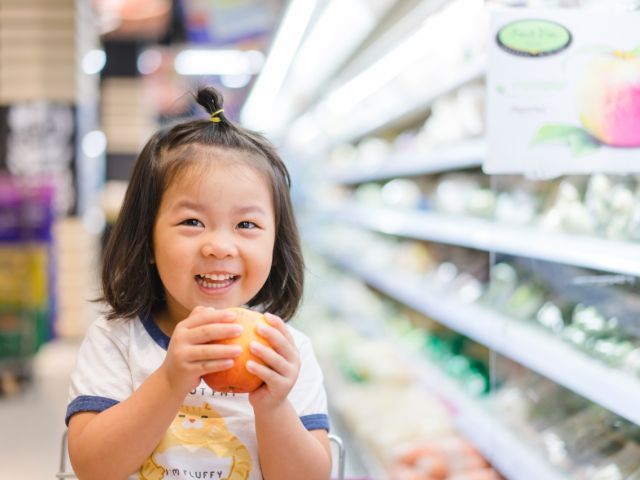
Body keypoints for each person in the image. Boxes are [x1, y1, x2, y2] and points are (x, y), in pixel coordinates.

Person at [65, 86, 332, 480]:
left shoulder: (284, 353)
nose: (219, 247)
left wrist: (274, 407)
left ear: (277, 242)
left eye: (246, 224)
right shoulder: (116, 341)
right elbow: (93, 468)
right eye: (192, 222)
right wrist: (171, 380)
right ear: (148, 240)